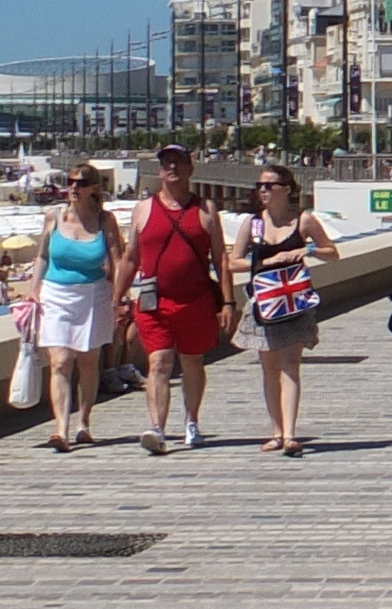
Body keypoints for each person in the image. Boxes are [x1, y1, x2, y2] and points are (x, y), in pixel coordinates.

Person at [126, 146, 237, 455]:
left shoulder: (206, 210)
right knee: (158, 362)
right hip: (153, 301)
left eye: (178, 162)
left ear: (191, 168)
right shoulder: (143, 209)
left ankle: (191, 420)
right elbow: (130, 258)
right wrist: (118, 299)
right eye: (165, 163)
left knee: (192, 361)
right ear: (159, 170)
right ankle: (157, 428)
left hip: (196, 300)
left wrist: (228, 303)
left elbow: (221, 259)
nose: (171, 167)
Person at [30, 165, 128, 453]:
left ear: (94, 187)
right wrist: (33, 290)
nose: (74, 187)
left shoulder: (105, 220)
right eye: (70, 182)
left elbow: (118, 260)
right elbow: (42, 257)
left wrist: (120, 297)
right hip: (56, 294)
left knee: (88, 360)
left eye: (81, 183)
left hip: (94, 294)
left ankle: (83, 422)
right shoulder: (54, 217)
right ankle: (61, 429)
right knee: (60, 361)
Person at [241, 166, 337, 457]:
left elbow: (332, 252)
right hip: (264, 302)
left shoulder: (304, 221)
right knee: (269, 368)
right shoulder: (253, 224)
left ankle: (291, 434)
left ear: (287, 189)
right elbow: (232, 263)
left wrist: (305, 252)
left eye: (270, 185)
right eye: (260, 185)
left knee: (290, 365)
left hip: (294, 302)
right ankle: (276, 432)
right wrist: (266, 264)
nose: (264, 190)